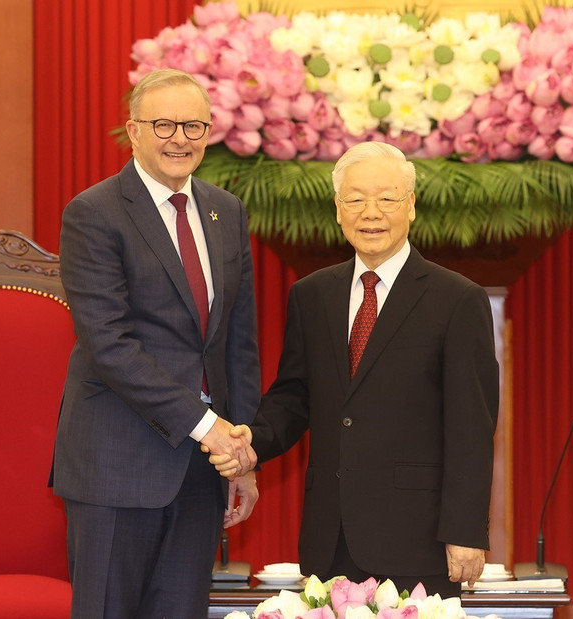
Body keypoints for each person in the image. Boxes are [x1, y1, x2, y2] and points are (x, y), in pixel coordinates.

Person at [210, 141, 499, 596]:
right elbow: (293, 397)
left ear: (411, 207)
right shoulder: (312, 294)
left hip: (419, 540)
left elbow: (472, 425)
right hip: (331, 536)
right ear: (338, 210)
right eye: (356, 199)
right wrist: (252, 443)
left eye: (387, 199)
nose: (371, 212)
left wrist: (465, 531)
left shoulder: (457, 299)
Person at [49, 68, 261, 619]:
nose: (180, 138)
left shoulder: (226, 212)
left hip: (200, 471)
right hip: (116, 466)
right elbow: (108, 344)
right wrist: (207, 425)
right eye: (163, 123)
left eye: (193, 125)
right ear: (134, 131)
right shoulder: (94, 213)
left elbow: (237, 343)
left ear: (210, 132)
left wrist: (241, 456)